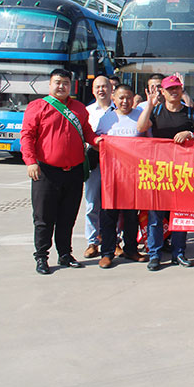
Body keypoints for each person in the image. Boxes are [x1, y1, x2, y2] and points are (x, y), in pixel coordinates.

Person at [21, 68, 99, 275]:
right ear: (50, 84)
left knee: (68, 216)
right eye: (57, 82)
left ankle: (65, 254)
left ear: (71, 85)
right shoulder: (38, 106)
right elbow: (27, 136)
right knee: (43, 218)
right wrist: (30, 162)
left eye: (65, 83)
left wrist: (98, 141)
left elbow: (87, 132)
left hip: (74, 172)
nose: (61, 86)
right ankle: (41, 257)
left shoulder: (79, 108)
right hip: (46, 172)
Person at [137, 74, 194, 271]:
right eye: (170, 89)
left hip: (183, 172)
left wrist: (189, 134)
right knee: (155, 216)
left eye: (177, 88)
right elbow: (141, 127)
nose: (174, 92)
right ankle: (154, 254)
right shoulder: (156, 111)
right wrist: (149, 105)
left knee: (180, 215)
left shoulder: (190, 113)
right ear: (163, 92)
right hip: (159, 171)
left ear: (182, 90)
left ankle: (179, 253)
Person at [93, 84, 146, 268]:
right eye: (121, 98)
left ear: (134, 98)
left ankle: (131, 249)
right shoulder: (107, 118)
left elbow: (150, 142)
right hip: (111, 175)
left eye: (128, 97)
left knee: (131, 215)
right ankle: (107, 252)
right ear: (113, 99)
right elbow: (96, 142)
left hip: (133, 176)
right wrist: (100, 144)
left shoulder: (140, 116)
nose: (125, 101)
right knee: (109, 215)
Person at [82, 75, 114, 259]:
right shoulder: (86, 112)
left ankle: (115, 240)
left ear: (111, 88)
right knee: (92, 203)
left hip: (116, 164)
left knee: (114, 204)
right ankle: (92, 242)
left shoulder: (120, 109)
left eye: (104, 86)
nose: (101, 90)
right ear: (93, 90)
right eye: (98, 87)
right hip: (95, 163)